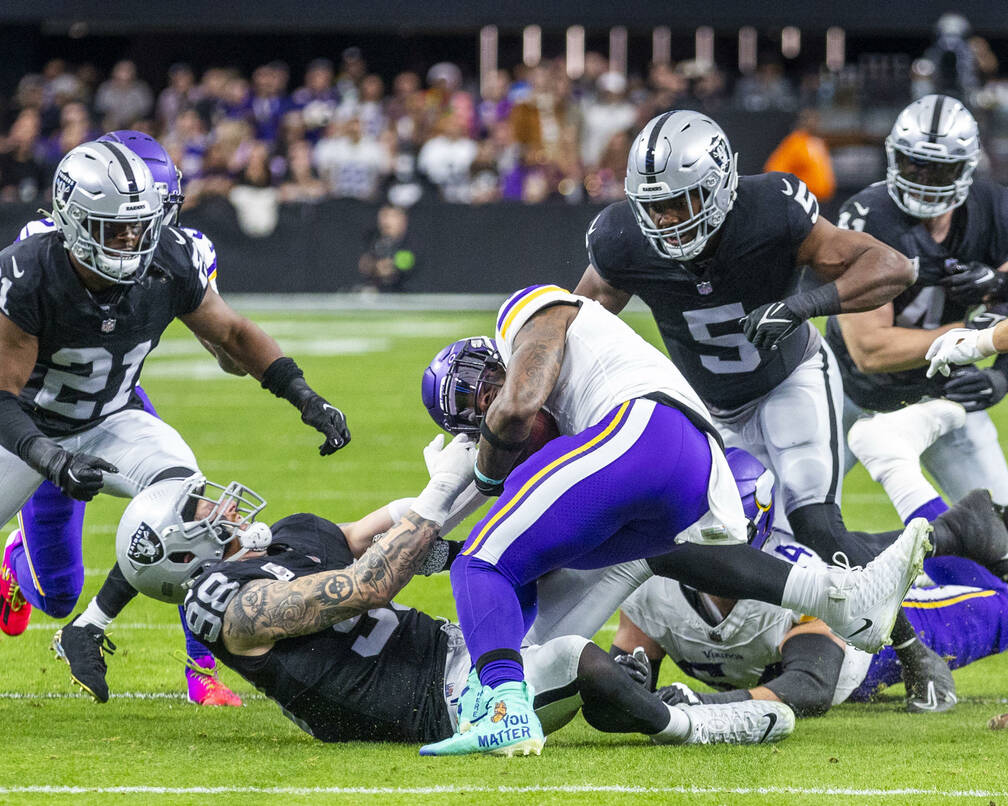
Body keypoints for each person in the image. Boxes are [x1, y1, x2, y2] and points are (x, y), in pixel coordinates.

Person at [0, 140, 350, 713]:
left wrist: (303, 395)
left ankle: (127, 639)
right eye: (112, 229)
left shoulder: (168, 256)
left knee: (193, 514)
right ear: (70, 220)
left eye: (138, 228)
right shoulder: (30, 269)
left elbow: (234, 334)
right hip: (27, 430)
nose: (130, 242)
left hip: (116, 419)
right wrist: (51, 460)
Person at [416, 285, 927, 757]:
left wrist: (473, 482)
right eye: (468, 412)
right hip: (692, 466)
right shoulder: (564, 426)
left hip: (643, 424)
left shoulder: (525, 314)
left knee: (480, 567)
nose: (485, 407)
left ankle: (504, 709)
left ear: (498, 353)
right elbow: (542, 557)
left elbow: (516, 406)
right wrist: (444, 549)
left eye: (479, 388)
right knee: (618, 564)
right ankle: (838, 598)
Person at [575, 108, 950, 707]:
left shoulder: (771, 209)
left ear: (721, 185)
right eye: (656, 206)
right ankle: (665, 644)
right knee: (702, 524)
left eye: (682, 201)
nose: (667, 220)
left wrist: (804, 305)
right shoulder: (621, 237)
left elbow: (892, 266)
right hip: (706, 401)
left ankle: (913, 649)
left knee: (814, 523)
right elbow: (578, 322)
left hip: (789, 380)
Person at [117, 441, 798, 748]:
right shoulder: (224, 607)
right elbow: (369, 583)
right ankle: (697, 725)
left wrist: (484, 460)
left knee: (632, 539)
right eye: (198, 512)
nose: (217, 506)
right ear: (179, 554)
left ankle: (814, 592)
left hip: (462, 652)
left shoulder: (283, 540)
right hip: (433, 709)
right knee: (571, 660)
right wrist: (441, 497)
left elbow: (374, 536)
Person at [0, 130, 246, 706]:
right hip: (46, 420)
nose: (138, 230)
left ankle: (200, 668)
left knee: (193, 516)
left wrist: (240, 352)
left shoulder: (180, 253)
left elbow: (224, 345)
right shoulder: (45, 248)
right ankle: (19, 559)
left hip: (117, 409)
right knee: (58, 594)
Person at [616, 406, 1008, 716]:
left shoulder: (797, 582)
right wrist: (624, 685)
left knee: (1004, 602)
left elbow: (811, 685)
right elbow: (628, 678)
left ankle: (895, 464)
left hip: (894, 626)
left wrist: (703, 706)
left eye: (725, 536)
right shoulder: (655, 585)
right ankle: (915, 482)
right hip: (841, 581)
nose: (712, 551)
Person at [831, 96, 1008, 524]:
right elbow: (870, 350)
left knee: (1000, 537)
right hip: (849, 394)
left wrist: (1003, 373)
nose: (925, 179)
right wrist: (973, 337)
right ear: (895, 158)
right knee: (777, 521)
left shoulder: (992, 207)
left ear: (966, 168)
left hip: (939, 394)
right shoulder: (867, 216)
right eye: (915, 164)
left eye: (940, 168)